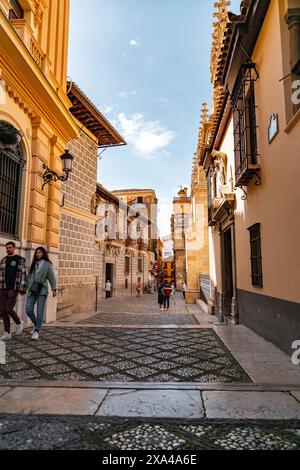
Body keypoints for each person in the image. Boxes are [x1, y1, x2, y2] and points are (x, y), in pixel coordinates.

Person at [26, 246, 57, 340]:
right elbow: (29, 277)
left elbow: (51, 277)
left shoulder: (47, 264)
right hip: (32, 289)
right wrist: (26, 286)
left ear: (43, 253)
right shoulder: (34, 263)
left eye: (40, 252)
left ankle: (36, 332)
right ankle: (37, 325)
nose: (38, 254)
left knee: (40, 312)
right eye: (37, 252)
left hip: (42, 290)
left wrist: (54, 288)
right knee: (28, 310)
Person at [0, 241, 27, 340]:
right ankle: (7, 332)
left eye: (10, 247)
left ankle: (19, 322)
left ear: (14, 248)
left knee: (8, 309)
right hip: (3, 288)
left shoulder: (20, 260)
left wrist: (23, 288)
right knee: (3, 311)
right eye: (7, 248)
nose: (8, 249)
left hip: (13, 288)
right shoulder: (3, 260)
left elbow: (24, 274)